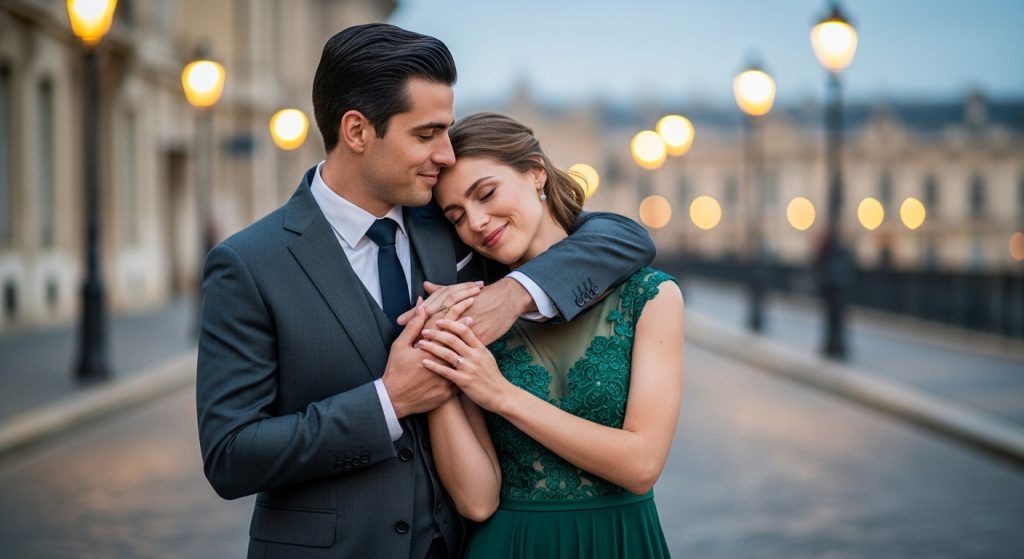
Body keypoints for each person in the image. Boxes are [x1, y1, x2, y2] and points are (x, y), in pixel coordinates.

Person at [195, 24, 656, 558]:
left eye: (448, 130)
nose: (446, 154)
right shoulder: (250, 264)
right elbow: (231, 456)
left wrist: (513, 295)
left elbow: (619, 236)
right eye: (426, 134)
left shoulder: (452, 224)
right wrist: (388, 402)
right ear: (357, 131)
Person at [416, 113, 685, 558]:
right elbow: (477, 501)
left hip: (619, 543)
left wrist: (499, 394)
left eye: (486, 193)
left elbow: (641, 466)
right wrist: (438, 350)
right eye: (457, 216)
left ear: (536, 172)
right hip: (509, 545)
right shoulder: (474, 319)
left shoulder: (649, 296)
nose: (477, 222)